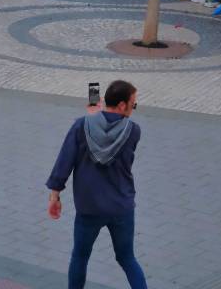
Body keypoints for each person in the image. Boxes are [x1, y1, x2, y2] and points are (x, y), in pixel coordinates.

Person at [46, 80, 147, 289]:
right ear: (121, 106)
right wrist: (97, 119)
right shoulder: (133, 131)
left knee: (80, 257)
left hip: (89, 207)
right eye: (133, 104)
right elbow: (110, 134)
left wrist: (55, 194)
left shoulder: (81, 126)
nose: (134, 108)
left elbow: (65, 160)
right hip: (121, 207)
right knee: (127, 258)